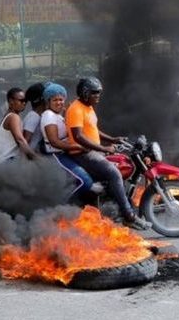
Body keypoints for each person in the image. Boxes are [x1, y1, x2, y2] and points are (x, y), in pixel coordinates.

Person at [65, 77, 151, 230]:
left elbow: (92, 129)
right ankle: (129, 216)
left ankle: (115, 210)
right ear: (85, 93)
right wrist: (103, 149)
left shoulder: (88, 108)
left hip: (93, 151)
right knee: (114, 173)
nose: (98, 95)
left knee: (120, 167)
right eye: (95, 92)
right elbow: (78, 136)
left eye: (99, 92)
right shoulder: (75, 109)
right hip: (83, 154)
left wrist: (112, 139)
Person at [39, 83, 95, 203]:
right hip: (56, 155)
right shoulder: (48, 115)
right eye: (55, 100)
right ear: (48, 102)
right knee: (85, 182)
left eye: (61, 99)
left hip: (64, 154)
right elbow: (54, 142)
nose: (59, 102)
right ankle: (63, 207)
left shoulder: (57, 115)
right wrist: (77, 146)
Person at [0, 87, 38, 164]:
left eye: (25, 101)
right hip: (7, 162)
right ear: (11, 101)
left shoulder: (7, 116)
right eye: (21, 101)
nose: (24, 103)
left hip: (2, 162)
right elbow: (20, 141)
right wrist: (37, 159)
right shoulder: (13, 117)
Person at [22, 82, 46, 153]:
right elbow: (25, 141)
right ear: (42, 98)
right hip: (30, 157)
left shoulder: (37, 115)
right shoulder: (34, 117)